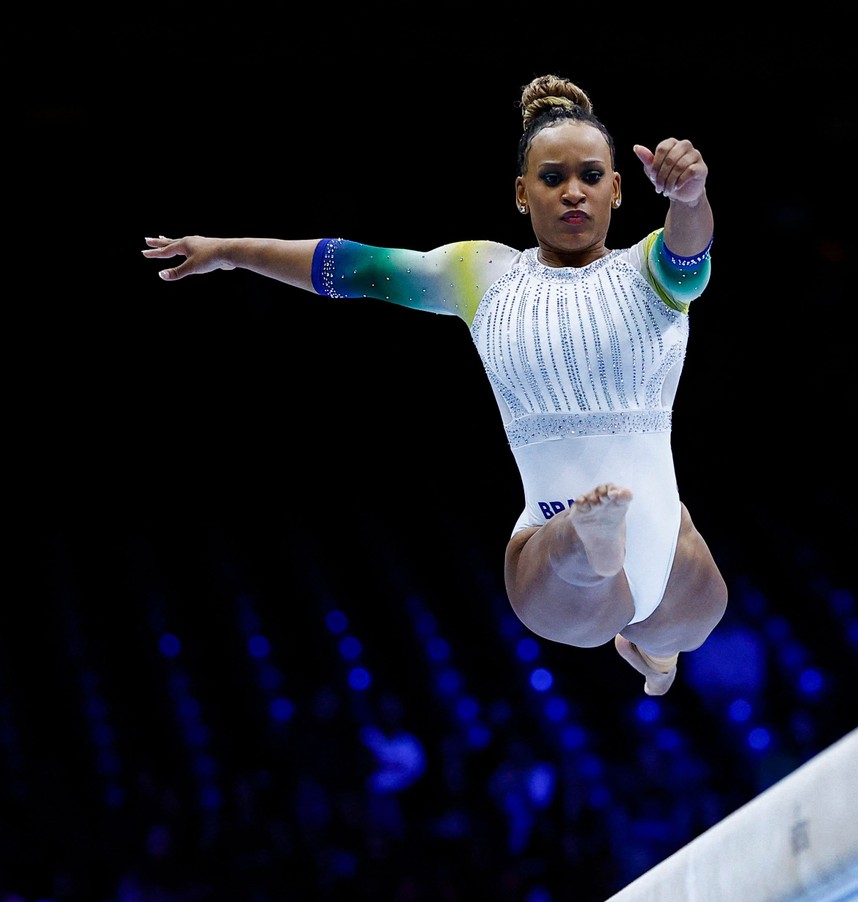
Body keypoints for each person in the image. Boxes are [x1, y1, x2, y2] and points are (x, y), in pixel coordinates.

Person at [142, 73, 727, 696]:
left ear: (617, 188)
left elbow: (689, 248)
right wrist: (232, 249)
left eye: (590, 176)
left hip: (665, 536)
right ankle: (589, 543)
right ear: (522, 194)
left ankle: (653, 655)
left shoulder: (652, 272)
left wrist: (690, 197)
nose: (573, 193)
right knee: (585, 594)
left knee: (689, 624)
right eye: (552, 178)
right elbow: (355, 267)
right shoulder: (481, 273)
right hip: (553, 540)